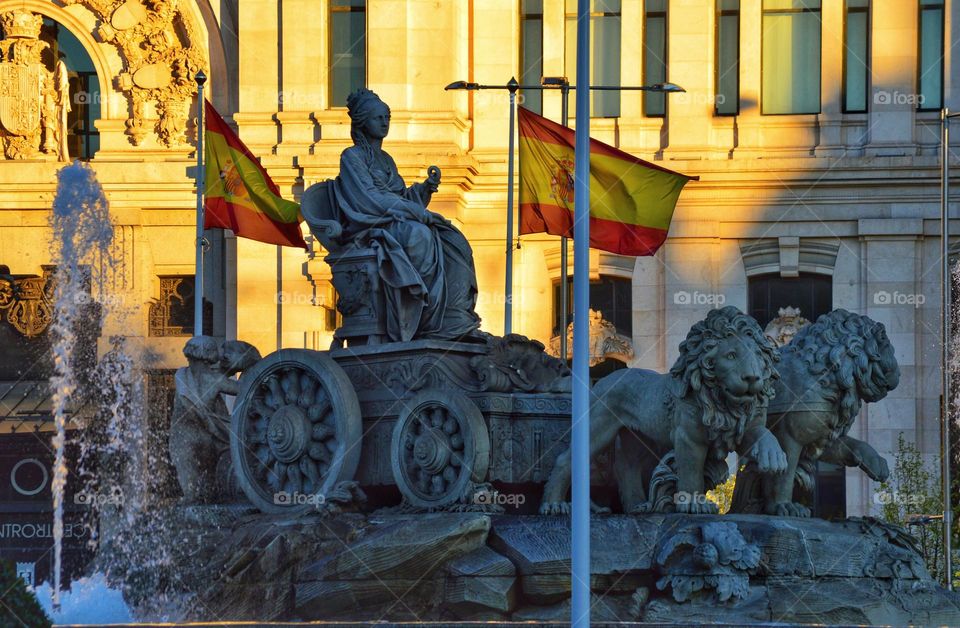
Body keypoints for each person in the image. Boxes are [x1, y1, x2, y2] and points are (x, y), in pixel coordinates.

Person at [308, 88, 481, 342]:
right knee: (419, 235)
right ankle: (422, 317)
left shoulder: (386, 159)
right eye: (378, 117)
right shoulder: (351, 157)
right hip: (369, 225)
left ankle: (451, 315)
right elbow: (370, 199)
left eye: (387, 117)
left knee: (453, 239)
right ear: (363, 121)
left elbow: (399, 197)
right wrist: (417, 214)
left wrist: (423, 190)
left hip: (393, 220)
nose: (384, 122)